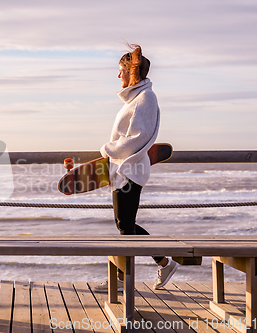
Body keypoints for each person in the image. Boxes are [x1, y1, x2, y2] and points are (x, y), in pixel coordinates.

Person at [93, 43, 179, 292]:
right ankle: (163, 262)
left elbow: (137, 138)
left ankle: (124, 279)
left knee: (125, 226)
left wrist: (107, 150)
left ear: (132, 72)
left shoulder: (146, 98)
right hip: (123, 171)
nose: (118, 75)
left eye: (121, 70)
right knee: (125, 225)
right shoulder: (136, 99)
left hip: (131, 171)